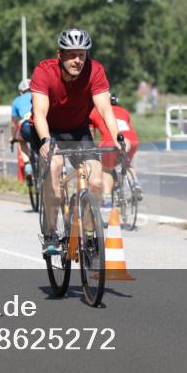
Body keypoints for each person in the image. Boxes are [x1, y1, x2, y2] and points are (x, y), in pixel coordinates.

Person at [20, 28, 124, 256]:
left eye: (82, 54)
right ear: (60, 54)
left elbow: (105, 108)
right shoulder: (44, 71)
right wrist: (46, 141)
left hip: (78, 130)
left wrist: (116, 137)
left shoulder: (95, 70)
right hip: (48, 129)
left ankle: (87, 235)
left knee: (96, 179)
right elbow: (39, 111)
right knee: (55, 167)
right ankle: (50, 234)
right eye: (72, 54)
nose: (78, 60)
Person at [89, 94, 141, 209]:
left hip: (110, 141)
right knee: (127, 164)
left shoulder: (94, 112)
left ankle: (107, 199)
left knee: (107, 168)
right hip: (131, 140)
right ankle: (135, 183)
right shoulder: (124, 111)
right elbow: (128, 127)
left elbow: (91, 135)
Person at [10, 79, 33, 169]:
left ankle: (27, 165)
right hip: (40, 125)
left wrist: (13, 137)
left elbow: (13, 124)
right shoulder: (39, 95)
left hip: (26, 126)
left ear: (21, 91)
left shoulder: (17, 101)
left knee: (21, 140)